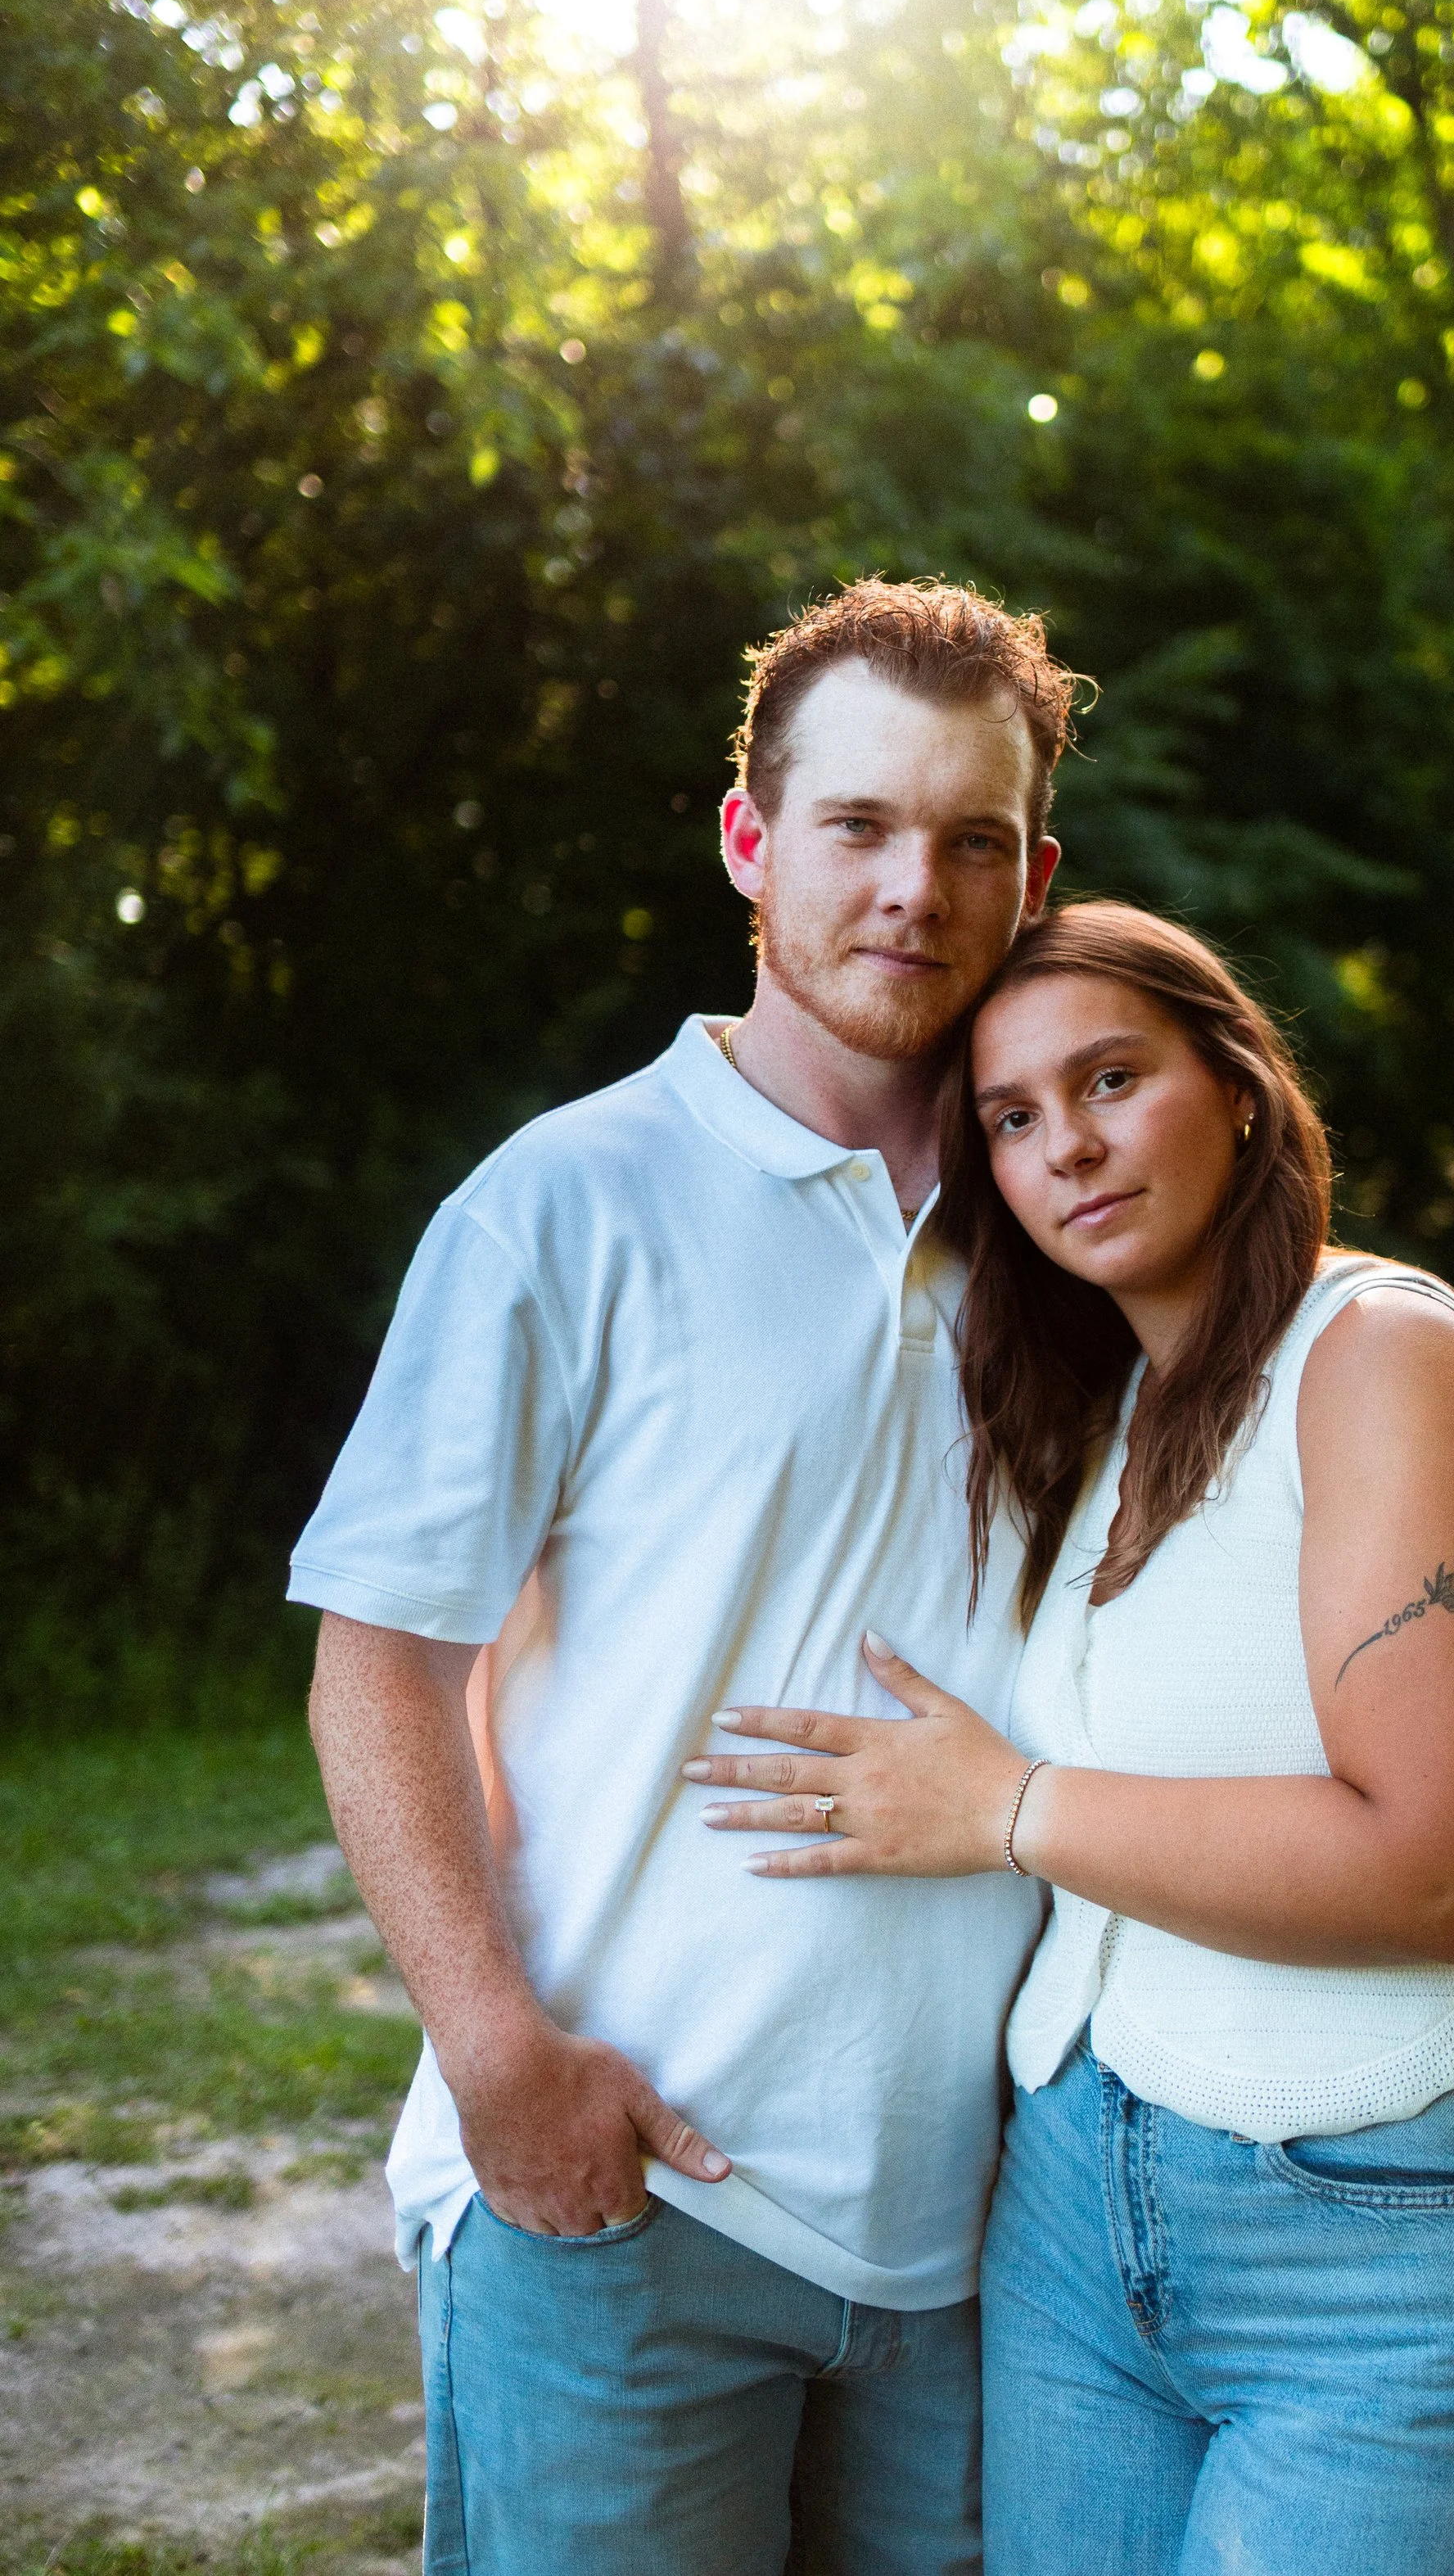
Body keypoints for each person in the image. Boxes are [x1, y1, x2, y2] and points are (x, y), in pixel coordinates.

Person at [292, 579, 1074, 2576]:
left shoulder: (1068, 1233)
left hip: (975, 2241)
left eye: (969, 837)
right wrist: (496, 2053)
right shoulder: (563, 1202)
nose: (914, 884)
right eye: (858, 825)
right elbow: (378, 1666)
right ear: (748, 839)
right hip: (627, 2202)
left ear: (1034, 872)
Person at [689, 900, 1454, 2576]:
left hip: (1380, 2227)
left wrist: (1010, 1805)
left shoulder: (1380, 1353)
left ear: (1241, 1084)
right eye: (1014, 1117)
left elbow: (1437, 1870)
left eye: (1111, 1077)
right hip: (1072, 2215)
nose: (1069, 1146)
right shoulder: (1112, 1409)